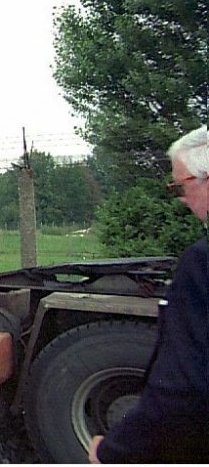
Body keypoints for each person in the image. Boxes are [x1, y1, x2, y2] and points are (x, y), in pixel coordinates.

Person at [89, 126, 208, 463]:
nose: (181, 199)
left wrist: (114, 451)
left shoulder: (203, 260)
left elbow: (183, 390)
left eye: (179, 186)